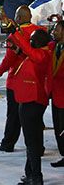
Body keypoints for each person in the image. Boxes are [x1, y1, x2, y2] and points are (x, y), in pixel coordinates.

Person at [0, 6, 42, 153]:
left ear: (18, 19)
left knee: (13, 115)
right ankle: (38, 147)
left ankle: (8, 143)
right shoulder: (40, 32)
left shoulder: (15, 36)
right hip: (37, 80)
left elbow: (8, 60)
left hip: (16, 81)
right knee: (36, 117)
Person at [7, 28, 51, 185]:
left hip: (31, 102)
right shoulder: (42, 54)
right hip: (32, 101)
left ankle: (36, 177)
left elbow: (31, 53)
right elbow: (28, 55)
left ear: (38, 43)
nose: (30, 42)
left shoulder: (42, 55)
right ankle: (30, 172)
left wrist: (16, 33)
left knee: (31, 142)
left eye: (32, 40)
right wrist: (17, 49)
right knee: (33, 140)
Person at [46, 21, 64, 168]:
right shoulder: (54, 46)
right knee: (58, 128)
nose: (54, 32)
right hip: (55, 95)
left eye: (57, 30)